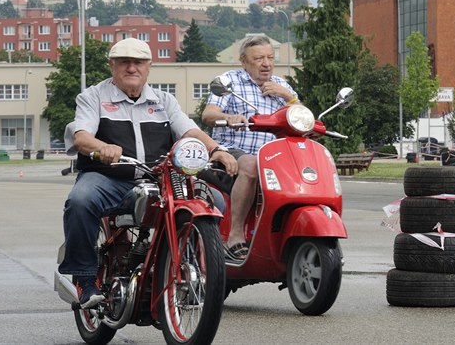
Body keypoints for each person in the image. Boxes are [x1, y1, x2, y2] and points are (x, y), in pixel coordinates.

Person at [58, 37, 237, 309]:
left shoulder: (164, 100)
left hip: (158, 178)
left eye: (138, 62)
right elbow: (81, 136)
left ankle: (189, 269)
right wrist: (102, 147)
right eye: (124, 62)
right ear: (112, 65)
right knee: (80, 201)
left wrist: (215, 150)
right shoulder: (93, 96)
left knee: (215, 200)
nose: (132, 68)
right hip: (109, 178)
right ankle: (84, 278)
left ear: (148, 67)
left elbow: (189, 131)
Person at [202, 35, 299, 261]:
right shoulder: (229, 82)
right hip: (232, 150)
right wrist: (228, 117)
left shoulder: (282, 86)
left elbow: (303, 117)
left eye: (270, 58)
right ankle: (235, 236)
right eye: (259, 58)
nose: (266, 63)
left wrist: (288, 97)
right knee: (251, 164)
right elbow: (208, 114)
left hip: (276, 155)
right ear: (244, 61)